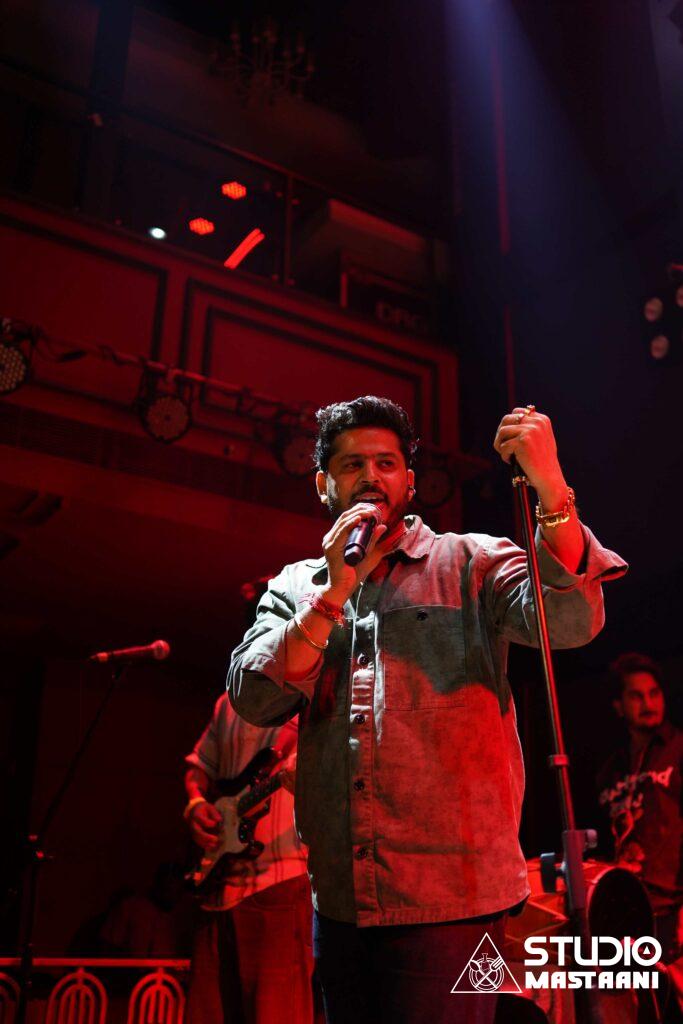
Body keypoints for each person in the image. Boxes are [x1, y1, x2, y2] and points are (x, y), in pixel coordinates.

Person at [227, 395, 627, 1024]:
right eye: (352, 464)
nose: (371, 477)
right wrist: (333, 593)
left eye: (386, 463)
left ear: (409, 481)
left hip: (457, 905)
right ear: (323, 485)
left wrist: (551, 487)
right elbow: (254, 698)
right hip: (341, 903)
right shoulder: (296, 586)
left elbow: (572, 620)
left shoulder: (469, 562)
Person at [183, 693, 315, 1024]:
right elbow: (198, 768)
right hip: (217, 889)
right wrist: (196, 804)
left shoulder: (311, 693)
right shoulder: (227, 701)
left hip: (280, 885)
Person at [597, 653, 683, 965]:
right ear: (619, 706)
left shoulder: (679, 750)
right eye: (636, 696)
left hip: (672, 909)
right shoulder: (609, 770)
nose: (648, 703)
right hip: (627, 914)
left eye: (654, 693)